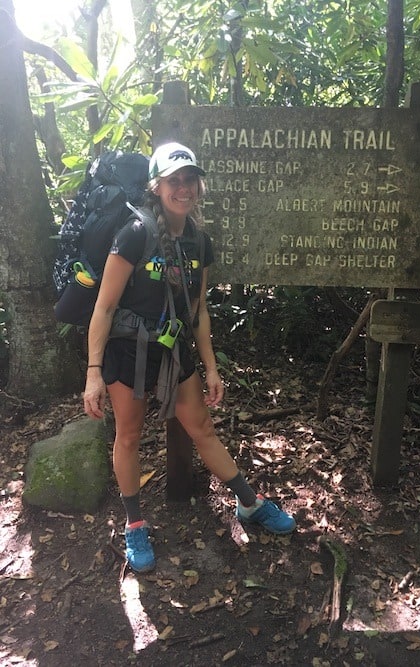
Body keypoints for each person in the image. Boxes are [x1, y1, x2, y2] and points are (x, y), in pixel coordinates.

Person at [83, 142, 296, 573]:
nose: (183, 188)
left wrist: (212, 366)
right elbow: (103, 307)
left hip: (175, 351)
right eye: (173, 180)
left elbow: (198, 312)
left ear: (198, 185)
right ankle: (135, 525)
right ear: (157, 186)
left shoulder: (200, 241)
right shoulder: (134, 234)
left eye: (189, 180)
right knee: (128, 436)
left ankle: (250, 504)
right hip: (128, 353)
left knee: (201, 427)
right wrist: (93, 372)